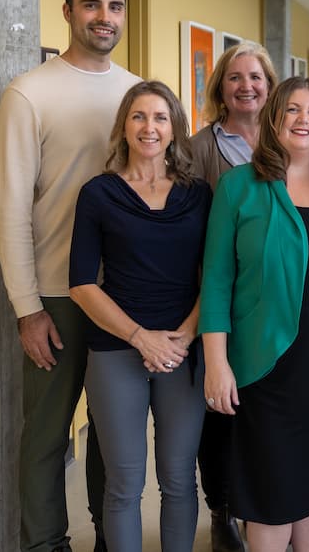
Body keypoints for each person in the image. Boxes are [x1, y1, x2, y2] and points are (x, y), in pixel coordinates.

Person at [0, 0, 140, 552]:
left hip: (125, 292)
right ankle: (45, 543)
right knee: (48, 438)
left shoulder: (137, 92)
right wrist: (28, 308)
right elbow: (9, 209)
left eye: (114, 7)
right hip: (56, 294)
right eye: (91, 5)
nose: (104, 17)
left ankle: (112, 537)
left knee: (115, 436)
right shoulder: (29, 93)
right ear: (67, 11)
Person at [199, 76, 309, 552]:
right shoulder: (240, 187)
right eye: (292, 110)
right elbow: (216, 281)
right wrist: (217, 363)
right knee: (272, 492)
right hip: (266, 364)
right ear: (274, 119)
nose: (303, 120)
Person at [69, 81, 211, 551]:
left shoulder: (199, 195)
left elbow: (216, 276)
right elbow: (82, 283)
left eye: (160, 118)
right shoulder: (99, 194)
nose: (149, 127)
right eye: (139, 117)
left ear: (175, 129)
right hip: (115, 348)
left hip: (183, 350)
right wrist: (140, 338)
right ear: (124, 127)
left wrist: (184, 337)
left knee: (178, 478)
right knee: (124, 482)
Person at [190, 41, 278, 552]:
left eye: (256, 77)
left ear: (270, 86)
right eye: (235, 78)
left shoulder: (291, 141)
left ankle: (263, 508)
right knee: (219, 415)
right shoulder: (199, 148)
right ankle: (221, 509)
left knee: (264, 415)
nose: (246, 86)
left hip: (271, 306)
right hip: (216, 300)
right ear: (220, 88)